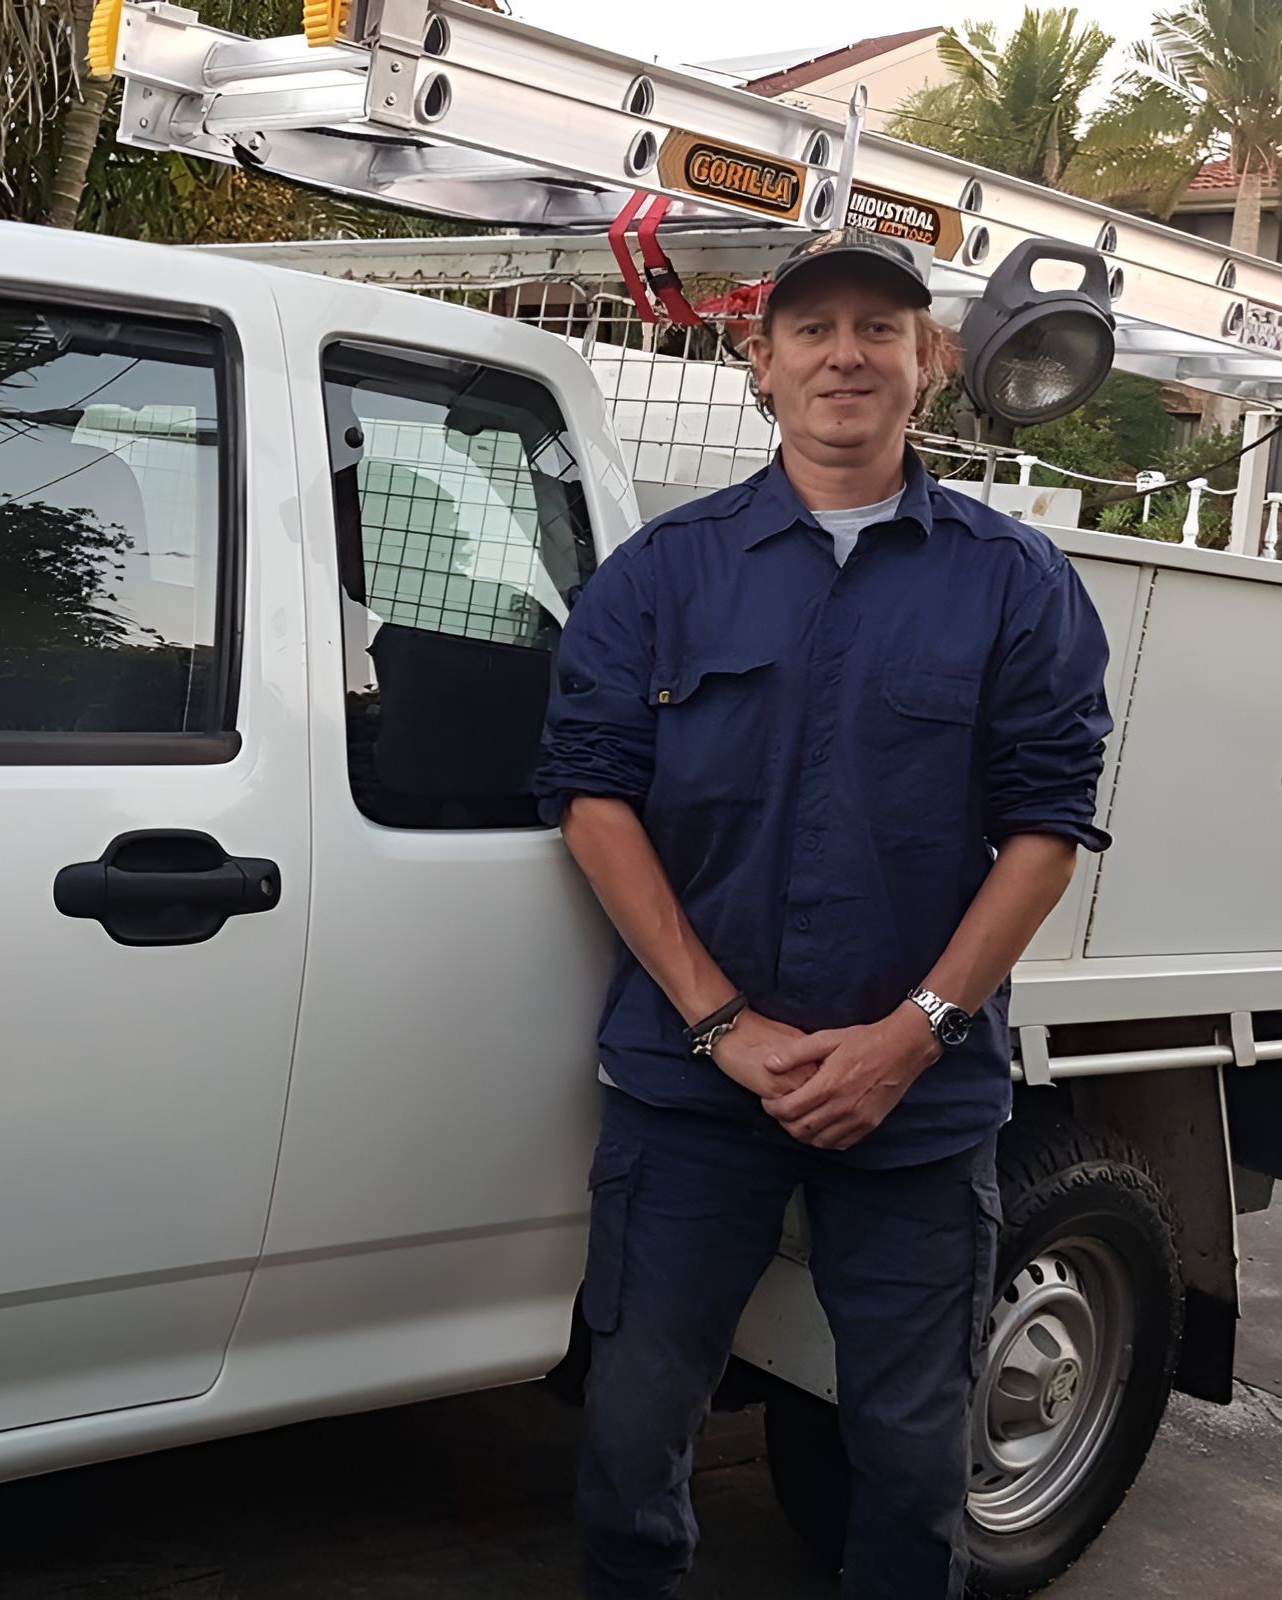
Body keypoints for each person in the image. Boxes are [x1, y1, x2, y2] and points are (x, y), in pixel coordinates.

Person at [534, 225, 1113, 1600]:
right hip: (693, 1091)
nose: (844, 355)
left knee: (910, 1458)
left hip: (914, 1104)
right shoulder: (666, 574)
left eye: (877, 328)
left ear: (926, 360)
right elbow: (591, 799)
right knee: (630, 1430)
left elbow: (1046, 829)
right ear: (761, 359)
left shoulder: (1012, 582)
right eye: (812, 328)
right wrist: (721, 1023)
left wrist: (907, 1037)